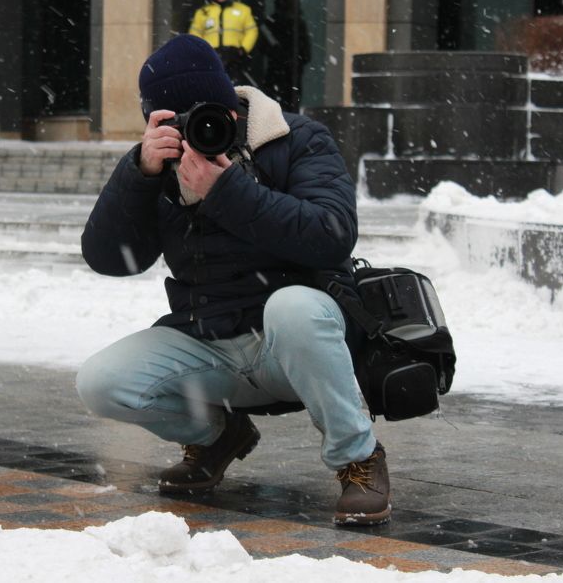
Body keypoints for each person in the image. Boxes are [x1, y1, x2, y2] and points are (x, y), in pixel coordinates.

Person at [76, 34, 391, 526]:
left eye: (204, 116)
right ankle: (216, 435)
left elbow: (332, 235)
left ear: (231, 107)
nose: (195, 132)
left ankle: (359, 459)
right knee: (100, 382)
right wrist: (137, 174)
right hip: (210, 339)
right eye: (175, 122)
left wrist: (228, 190)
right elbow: (110, 259)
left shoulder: (296, 139)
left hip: (297, 343)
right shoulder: (156, 170)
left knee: (292, 307)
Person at [189, 0, 258, 85]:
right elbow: (194, 34)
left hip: (234, 56)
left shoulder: (243, 10)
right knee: (211, 85)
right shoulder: (202, 13)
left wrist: (243, 49)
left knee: (235, 87)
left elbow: (252, 31)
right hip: (211, 56)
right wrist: (202, 52)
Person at [262, 0, 310, 112]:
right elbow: (305, 52)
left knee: (277, 104)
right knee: (290, 104)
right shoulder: (296, 22)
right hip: (288, 70)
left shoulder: (272, 22)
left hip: (281, 70)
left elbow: (263, 47)